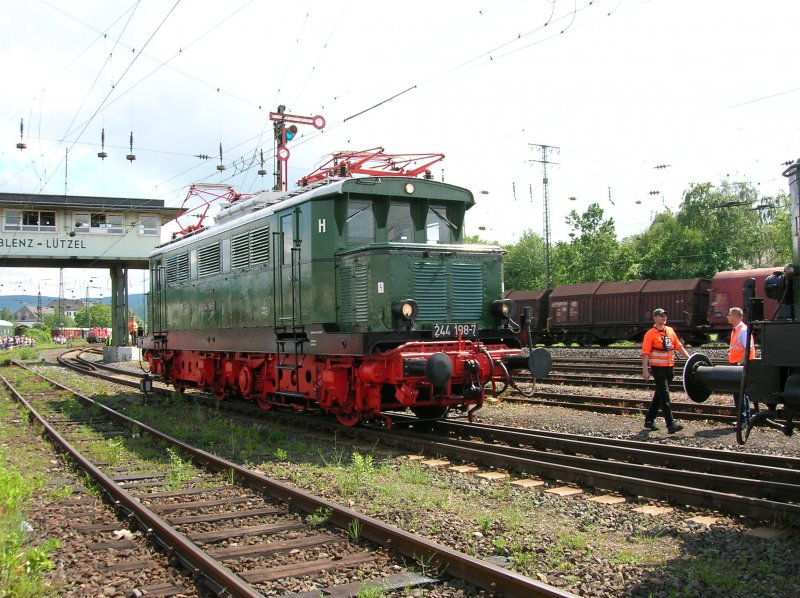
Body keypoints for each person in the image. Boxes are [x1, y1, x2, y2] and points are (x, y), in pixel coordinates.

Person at [641, 308, 690, 434]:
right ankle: (670, 424)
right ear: (655, 318)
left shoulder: (670, 331)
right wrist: (645, 370)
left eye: (665, 315)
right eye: (661, 315)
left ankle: (649, 420)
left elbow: (678, 346)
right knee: (665, 396)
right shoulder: (650, 334)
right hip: (658, 369)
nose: (664, 317)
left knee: (660, 395)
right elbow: (645, 353)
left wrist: (690, 359)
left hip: (669, 368)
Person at [727, 307, 757, 428]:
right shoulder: (736, 329)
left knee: (739, 393)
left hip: (741, 365)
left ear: (735, 316)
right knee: (740, 393)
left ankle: (743, 420)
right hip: (737, 364)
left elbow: (748, 348)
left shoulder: (743, 330)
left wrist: (740, 362)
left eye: (729, 314)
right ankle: (745, 419)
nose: (727, 317)